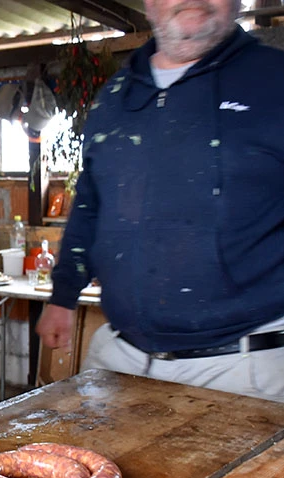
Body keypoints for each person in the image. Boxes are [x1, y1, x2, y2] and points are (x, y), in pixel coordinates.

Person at [37, 0, 284, 402]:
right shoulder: (114, 98)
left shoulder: (275, 81)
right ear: (150, 4)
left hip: (244, 368)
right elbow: (90, 205)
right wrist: (63, 297)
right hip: (121, 359)